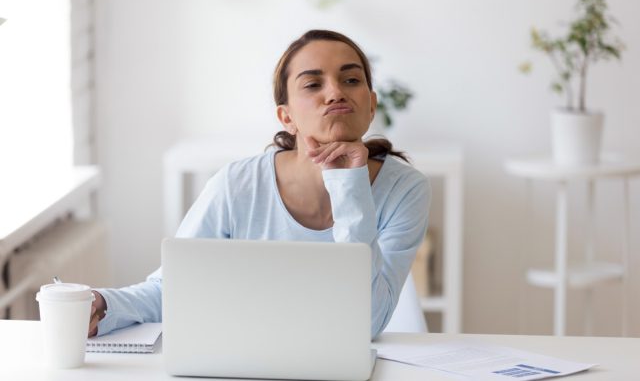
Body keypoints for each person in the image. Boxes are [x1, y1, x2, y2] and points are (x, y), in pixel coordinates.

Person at [88, 29, 430, 339]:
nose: (335, 93)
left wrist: (348, 182)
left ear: (371, 106)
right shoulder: (236, 185)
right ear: (287, 117)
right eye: (313, 84)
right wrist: (103, 304)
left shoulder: (405, 190)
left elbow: (365, 322)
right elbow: (175, 287)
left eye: (351, 80)